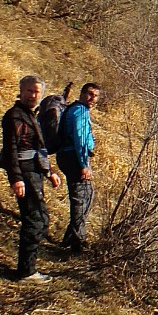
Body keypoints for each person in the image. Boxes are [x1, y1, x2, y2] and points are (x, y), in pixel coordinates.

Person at [0, 75, 62, 282]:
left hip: (34, 172)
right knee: (35, 219)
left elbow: (37, 147)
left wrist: (49, 171)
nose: (33, 95)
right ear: (21, 91)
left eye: (37, 92)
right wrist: (16, 178)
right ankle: (26, 271)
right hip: (24, 173)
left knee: (39, 219)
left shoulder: (30, 115)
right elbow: (11, 150)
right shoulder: (14, 116)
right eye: (29, 91)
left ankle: (28, 267)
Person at [57, 82, 101, 253]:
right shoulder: (80, 111)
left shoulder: (76, 109)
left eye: (96, 96)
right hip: (74, 157)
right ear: (82, 93)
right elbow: (80, 140)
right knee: (81, 198)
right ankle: (77, 243)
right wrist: (83, 164)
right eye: (89, 94)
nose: (92, 98)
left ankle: (70, 238)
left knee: (86, 196)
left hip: (68, 156)